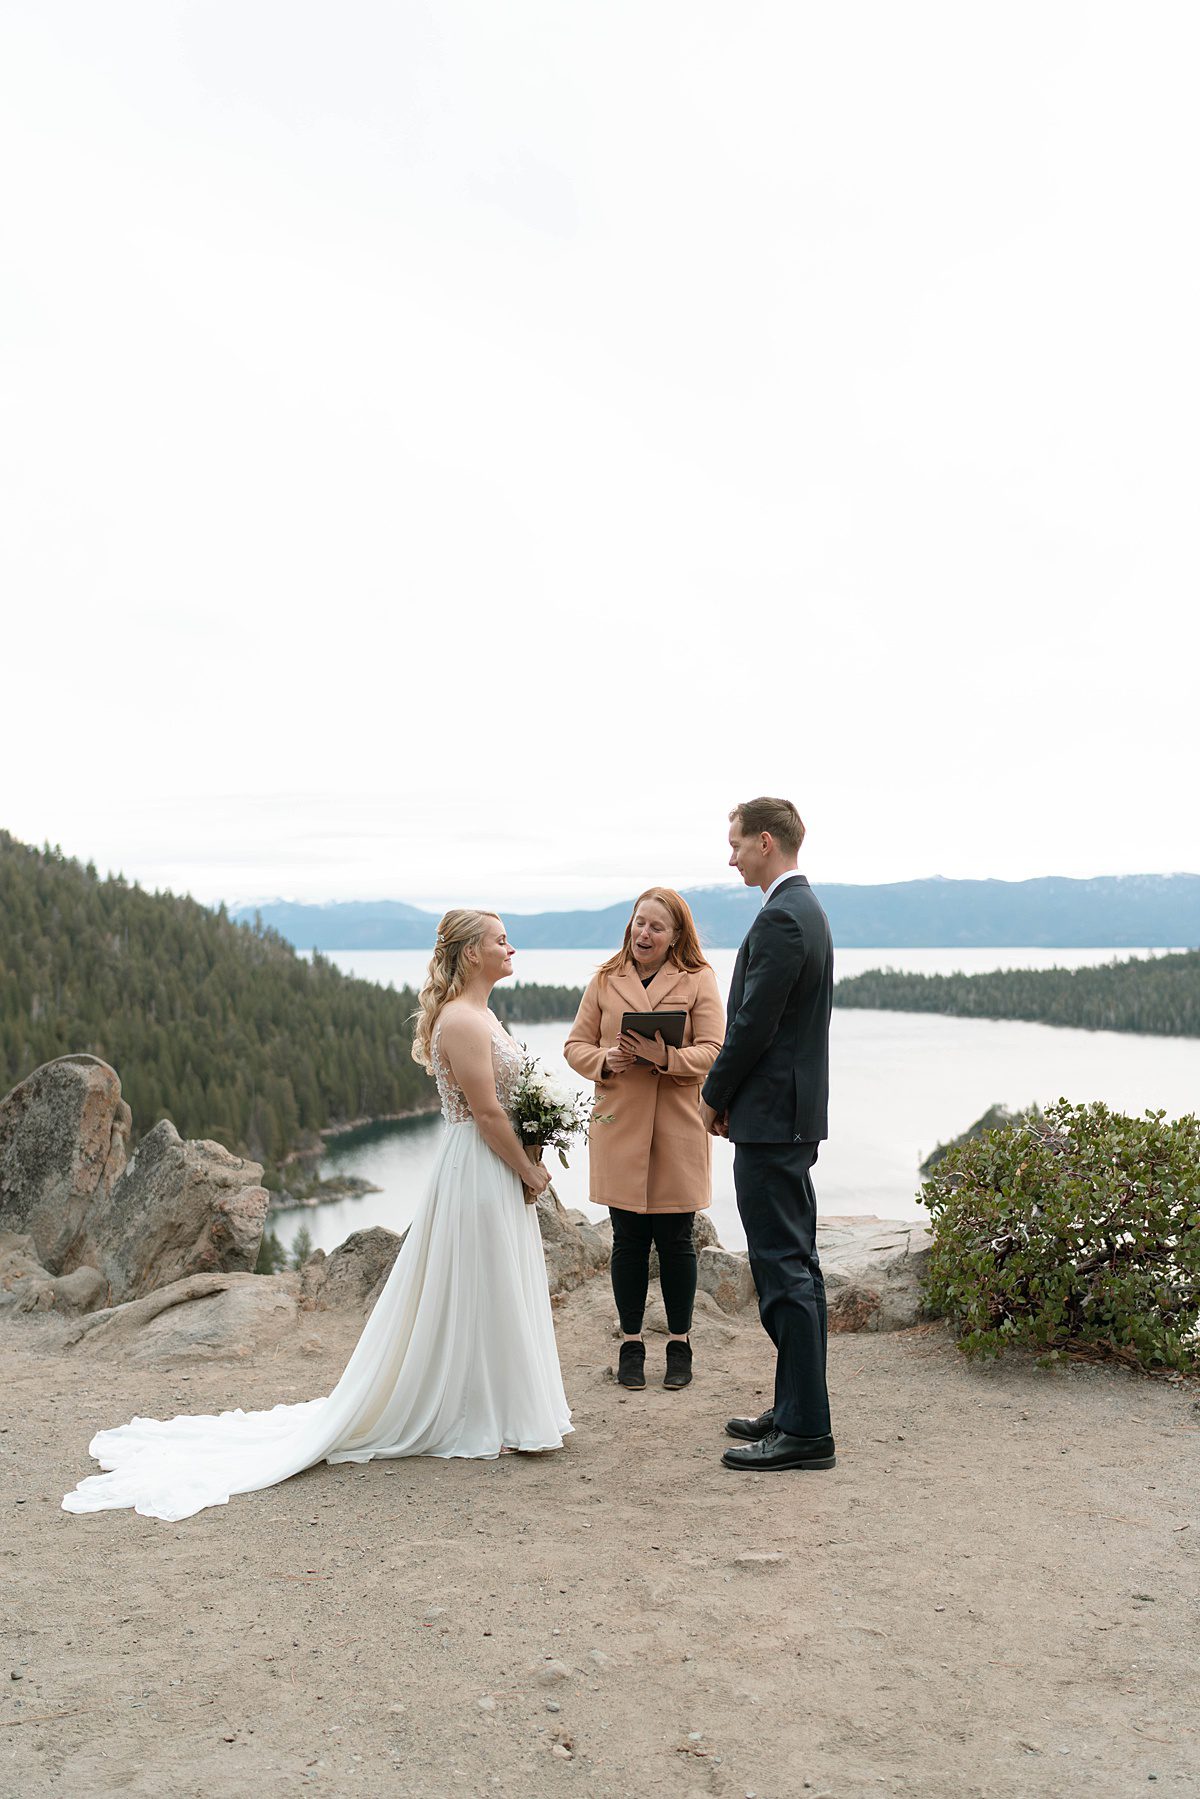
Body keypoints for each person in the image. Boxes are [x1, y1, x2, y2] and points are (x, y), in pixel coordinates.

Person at [62, 910, 572, 1522]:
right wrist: (529, 1169)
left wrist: (538, 1140)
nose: (510, 947)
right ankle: (480, 1412)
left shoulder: (482, 1014)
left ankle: (503, 1407)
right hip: (480, 1165)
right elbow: (487, 1115)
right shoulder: (463, 1021)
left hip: (492, 1163)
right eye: (499, 940)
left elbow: (509, 1106)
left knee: (495, 1283)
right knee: (480, 1283)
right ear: (470, 955)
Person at [699, 798, 836, 1472]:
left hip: (774, 1117)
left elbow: (754, 1024)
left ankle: (807, 1430)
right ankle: (794, 1408)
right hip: (785, 1112)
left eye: (735, 844)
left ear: (765, 841)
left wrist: (713, 1095)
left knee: (783, 1269)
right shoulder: (804, 908)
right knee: (796, 1263)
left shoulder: (784, 915)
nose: (730, 857)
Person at [564, 888, 724, 1391]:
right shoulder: (605, 981)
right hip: (619, 1126)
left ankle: (680, 1346)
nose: (644, 934)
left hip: (678, 1127)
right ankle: (630, 1344)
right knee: (627, 1242)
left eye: (656, 926)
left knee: (677, 1243)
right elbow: (575, 1045)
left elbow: (715, 1051)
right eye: (639, 924)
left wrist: (666, 1058)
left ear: (676, 935)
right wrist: (603, 1061)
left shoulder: (699, 980)